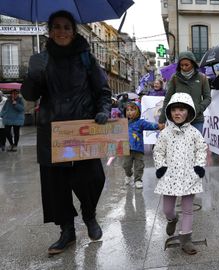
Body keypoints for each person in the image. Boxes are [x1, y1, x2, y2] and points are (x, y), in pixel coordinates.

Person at [20, 10, 112, 255]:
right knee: (56, 185)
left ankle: (89, 214)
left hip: (82, 131)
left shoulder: (86, 59)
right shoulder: (42, 60)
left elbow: (103, 91)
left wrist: (103, 110)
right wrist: (32, 75)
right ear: (50, 31)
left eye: (66, 27)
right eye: (57, 27)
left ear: (73, 31)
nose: (61, 31)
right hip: (52, 132)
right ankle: (67, 231)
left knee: (93, 177)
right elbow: (29, 95)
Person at [153, 92, 207, 255]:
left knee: (188, 210)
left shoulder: (194, 133)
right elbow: (158, 151)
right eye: (174, 109)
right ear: (169, 112)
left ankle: (186, 239)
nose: (178, 113)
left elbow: (201, 149)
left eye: (182, 110)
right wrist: (160, 166)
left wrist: (199, 165)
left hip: (189, 177)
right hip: (169, 177)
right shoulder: (165, 133)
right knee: (167, 209)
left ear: (189, 112)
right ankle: (172, 219)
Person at [159, 51, 211, 133]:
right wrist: (162, 119)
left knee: (196, 144)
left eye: (186, 65)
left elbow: (208, 98)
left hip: (196, 119)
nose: (184, 67)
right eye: (181, 65)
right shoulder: (175, 78)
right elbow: (167, 99)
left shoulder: (202, 78)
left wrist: (198, 109)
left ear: (193, 64)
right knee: (178, 145)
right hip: (178, 120)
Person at [123, 101, 159, 189]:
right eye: (127, 110)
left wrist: (158, 126)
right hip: (126, 148)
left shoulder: (140, 122)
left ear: (138, 111)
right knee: (126, 165)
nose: (129, 112)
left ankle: (138, 180)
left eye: (132, 110)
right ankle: (128, 175)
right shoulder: (123, 123)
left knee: (139, 165)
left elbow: (150, 125)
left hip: (138, 149)